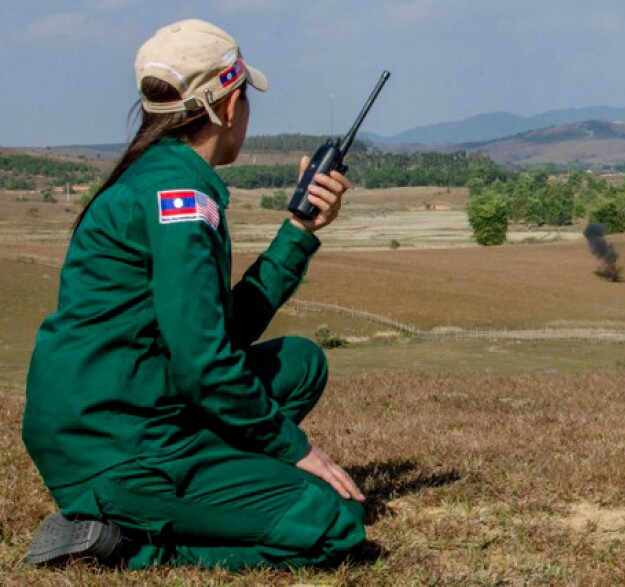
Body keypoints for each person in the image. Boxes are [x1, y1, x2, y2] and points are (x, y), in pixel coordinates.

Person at [22, 19, 367, 570]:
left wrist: (300, 232)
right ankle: (128, 542)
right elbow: (206, 366)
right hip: (116, 443)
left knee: (301, 363)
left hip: (120, 407)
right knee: (333, 522)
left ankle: (211, 489)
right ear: (227, 107)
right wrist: (295, 449)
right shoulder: (180, 200)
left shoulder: (161, 177)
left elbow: (212, 334)